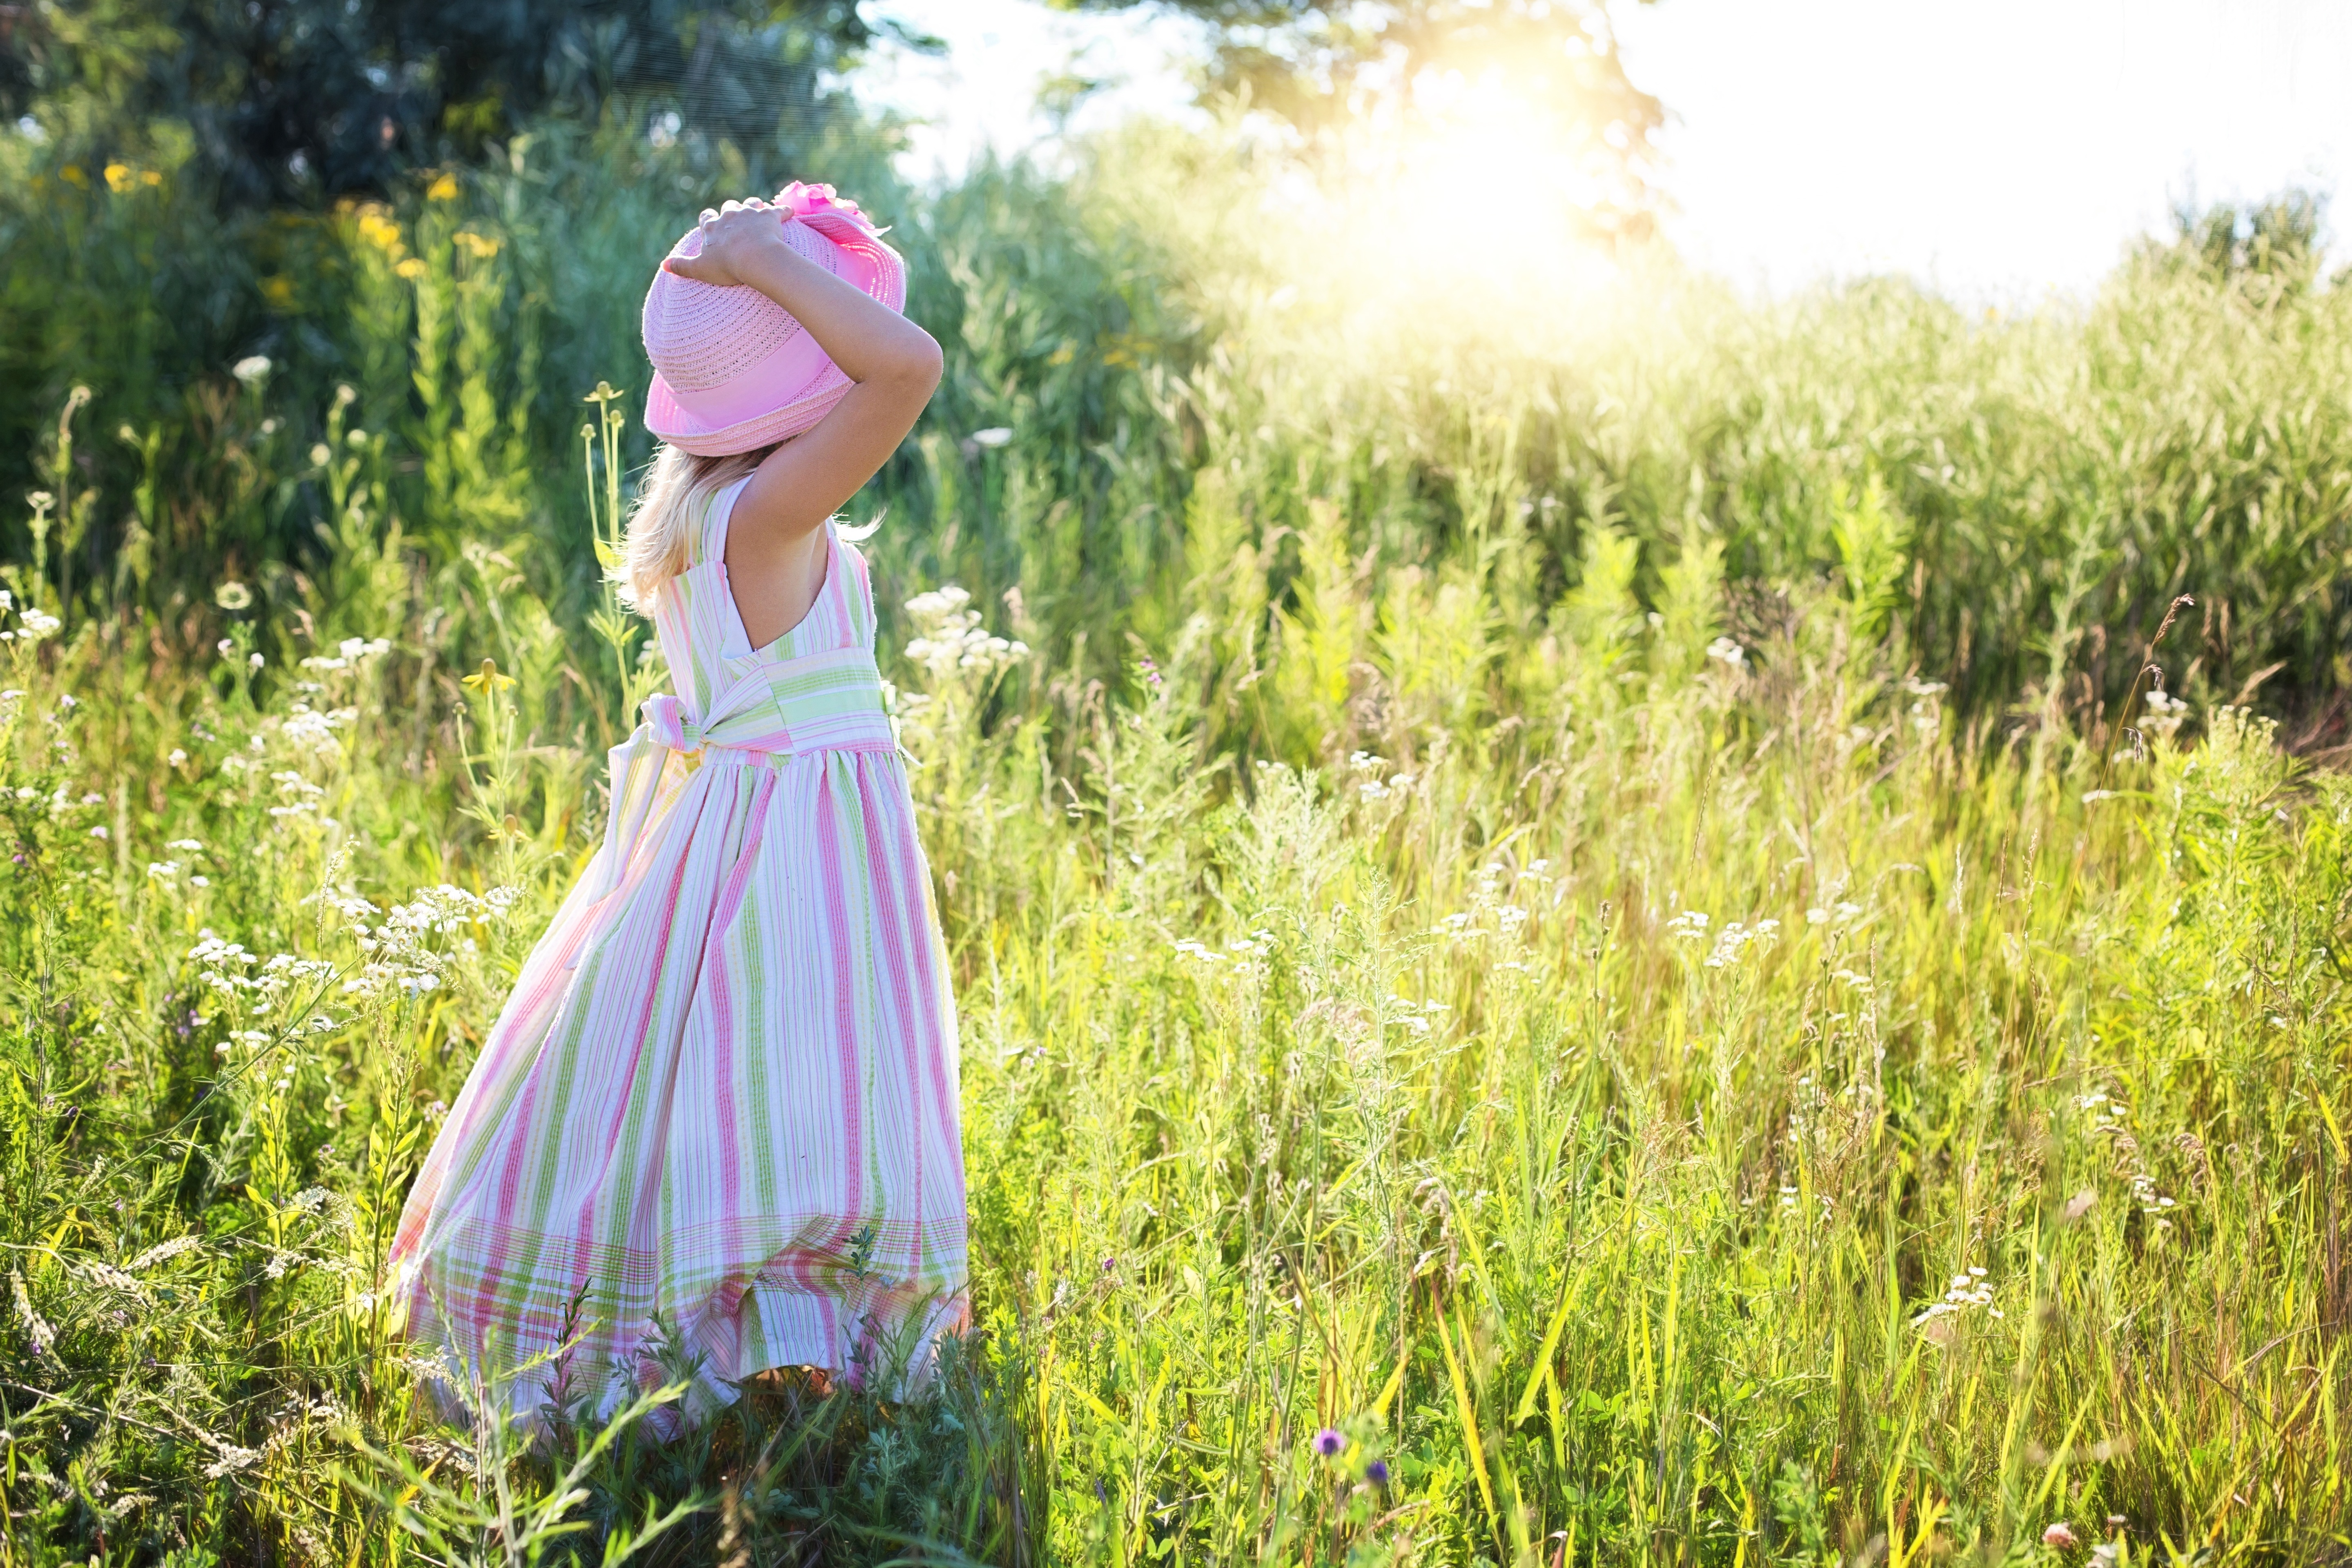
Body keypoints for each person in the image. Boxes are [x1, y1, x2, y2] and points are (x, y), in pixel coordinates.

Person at [388, 183, 966, 1426]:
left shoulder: (710, 514)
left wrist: (763, 266)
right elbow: (910, 369)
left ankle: (762, 1337)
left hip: (741, 825)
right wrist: (762, 253)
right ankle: (777, 1343)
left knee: (696, 1075)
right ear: (810, 380)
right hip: (798, 840)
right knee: (797, 1081)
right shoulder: (769, 517)